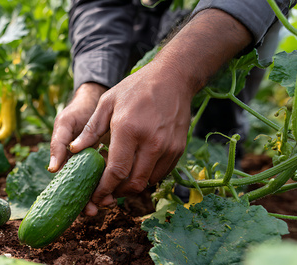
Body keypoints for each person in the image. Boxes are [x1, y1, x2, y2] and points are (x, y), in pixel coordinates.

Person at [48, 0, 295, 216]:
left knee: (219, 120)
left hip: (237, 26)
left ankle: (214, 159)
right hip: (150, 21)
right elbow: (100, 4)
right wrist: (93, 88)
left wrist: (175, 73)